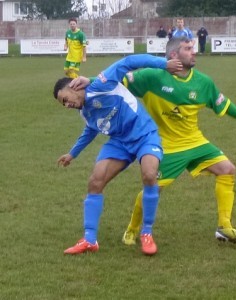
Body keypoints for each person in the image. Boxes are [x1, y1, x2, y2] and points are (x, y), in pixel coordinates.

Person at [71, 37, 236, 246]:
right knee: (152, 185)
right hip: (165, 145)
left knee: (227, 169)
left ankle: (224, 227)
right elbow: (116, 80)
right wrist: (91, 80)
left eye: (193, 48)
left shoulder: (203, 82)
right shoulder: (151, 77)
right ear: (174, 55)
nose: (194, 52)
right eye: (188, 48)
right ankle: (133, 228)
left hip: (195, 141)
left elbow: (223, 104)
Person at [53, 54, 182, 256]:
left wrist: (164, 64)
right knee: (95, 181)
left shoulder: (102, 83)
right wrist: (72, 154)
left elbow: (128, 62)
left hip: (144, 134)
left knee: (149, 175)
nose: (67, 105)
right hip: (119, 143)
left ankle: (146, 233)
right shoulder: (85, 112)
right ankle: (89, 239)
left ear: (74, 86)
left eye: (65, 99)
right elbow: (90, 130)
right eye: (63, 104)